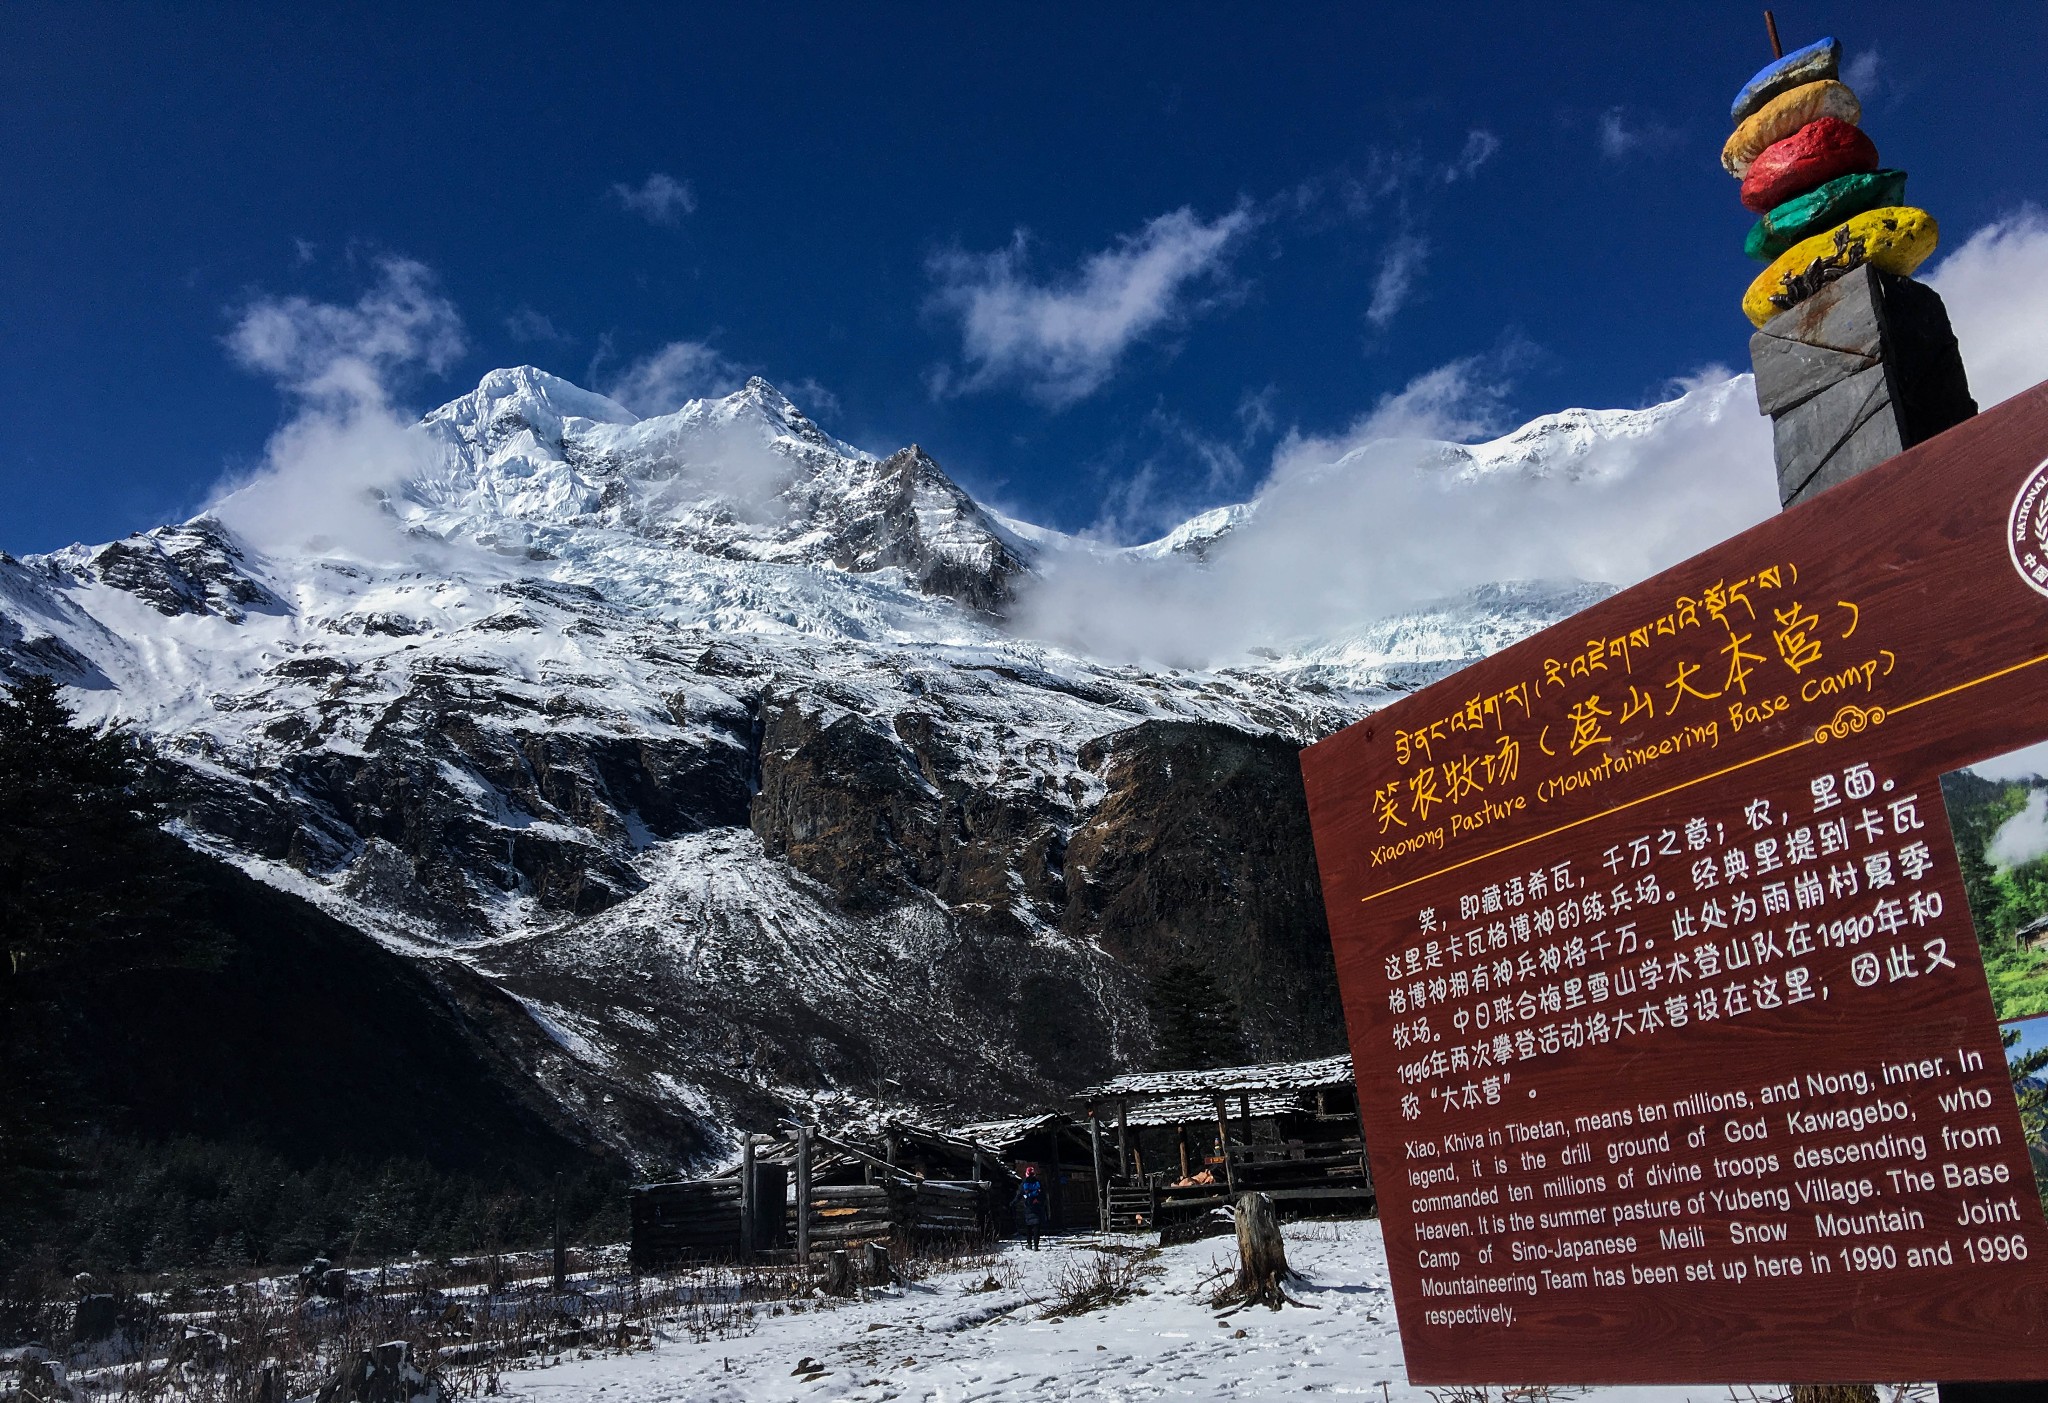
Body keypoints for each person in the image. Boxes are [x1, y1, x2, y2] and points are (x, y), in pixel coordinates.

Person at [1012, 1164, 1048, 1249]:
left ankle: (1029, 1244)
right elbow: (1043, 1195)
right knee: (1036, 1226)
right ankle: (1036, 1245)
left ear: (1026, 1174)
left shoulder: (1024, 1183)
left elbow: (1019, 1195)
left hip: (1028, 1206)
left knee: (1028, 1226)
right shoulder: (1038, 1183)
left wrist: (1013, 1203)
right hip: (1037, 1206)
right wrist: (1041, 1202)